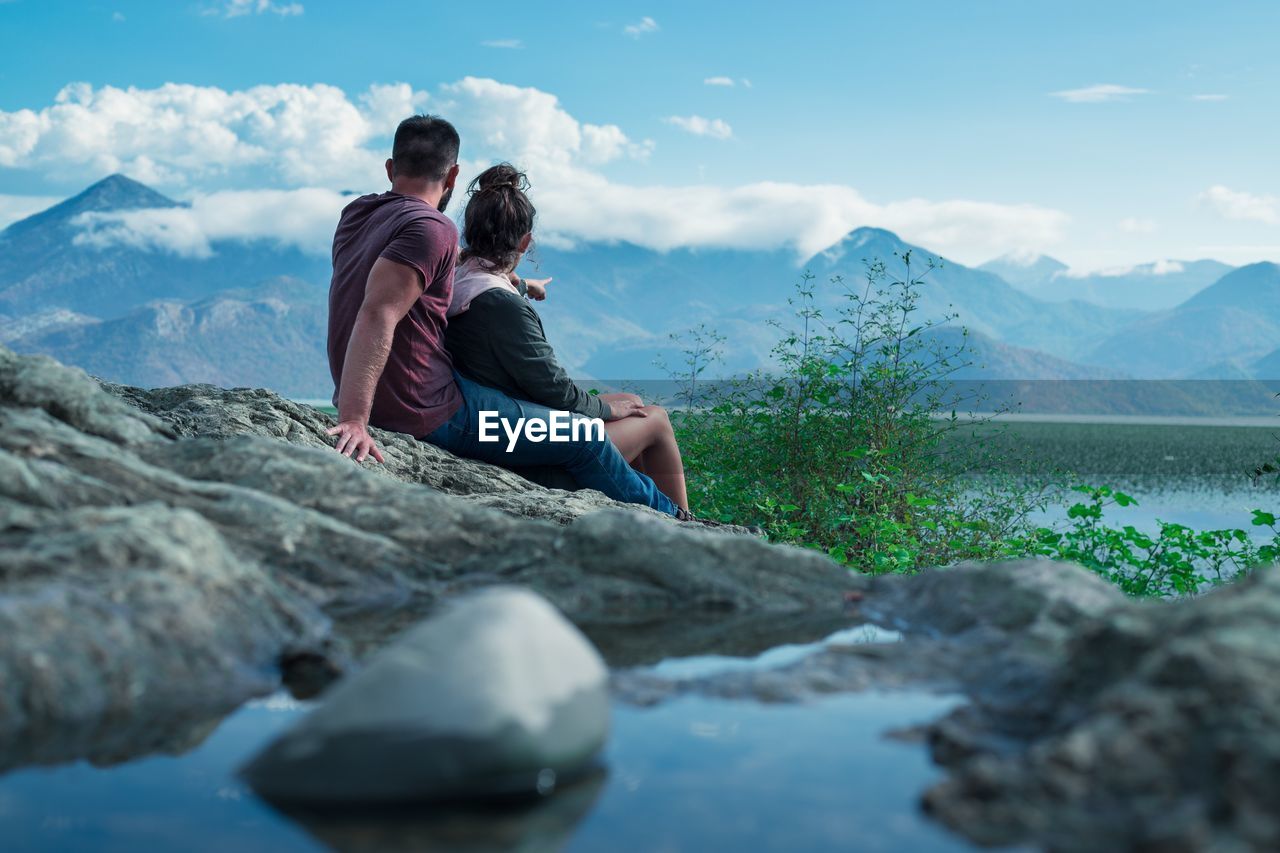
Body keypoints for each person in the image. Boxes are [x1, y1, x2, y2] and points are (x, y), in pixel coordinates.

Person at [325, 115, 682, 518]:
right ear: (453, 175)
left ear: (390, 168)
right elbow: (378, 313)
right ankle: (680, 524)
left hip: (408, 393)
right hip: (428, 409)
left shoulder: (357, 214)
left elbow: (433, 273)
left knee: (596, 420)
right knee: (585, 437)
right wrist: (355, 419)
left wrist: (520, 284)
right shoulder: (434, 228)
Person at [443, 163, 690, 513]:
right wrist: (606, 409)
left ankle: (638, 504)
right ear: (526, 242)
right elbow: (555, 390)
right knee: (655, 418)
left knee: (631, 400)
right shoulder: (502, 307)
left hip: (493, 419)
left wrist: (524, 285)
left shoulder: (456, 276)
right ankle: (683, 519)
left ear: (469, 232)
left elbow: (490, 274)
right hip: (524, 444)